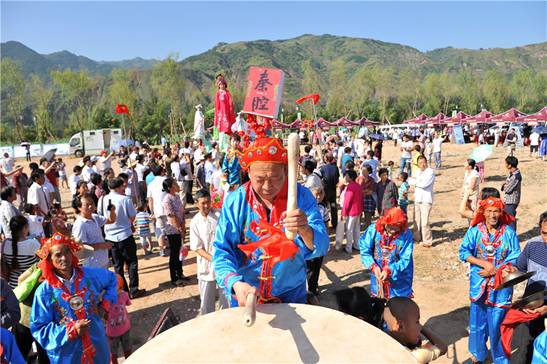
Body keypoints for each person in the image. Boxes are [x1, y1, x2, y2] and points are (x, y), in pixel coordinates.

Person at [212, 122, 329, 307]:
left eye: (275, 178)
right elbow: (222, 250)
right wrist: (234, 283)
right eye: (259, 179)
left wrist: (305, 229)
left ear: (285, 170)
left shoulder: (302, 197)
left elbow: (322, 245)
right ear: (248, 172)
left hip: (291, 296)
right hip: (247, 296)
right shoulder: (235, 202)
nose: (267, 187)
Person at [30, 233, 118, 364]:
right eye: (58, 255)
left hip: (97, 346)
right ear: (49, 260)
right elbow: (39, 329)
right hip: (67, 355)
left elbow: (112, 279)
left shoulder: (89, 275)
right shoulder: (44, 292)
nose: (64, 258)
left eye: (67, 252)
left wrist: (104, 305)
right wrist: (71, 330)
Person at [458, 197, 521, 364]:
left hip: (500, 288)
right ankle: (478, 354)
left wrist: (496, 269)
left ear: (501, 213)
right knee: (477, 323)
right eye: (489, 211)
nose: (493, 215)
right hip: (479, 286)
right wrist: (483, 263)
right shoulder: (474, 231)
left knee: (497, 325)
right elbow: (463, 252)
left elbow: (515, 256)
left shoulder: (508, 233)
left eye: (496, 211)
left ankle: (500, 359)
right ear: (483, 213)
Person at [507, 211, 547, 362]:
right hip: (530, 308)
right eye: (544, 233)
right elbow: (520, 268)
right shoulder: (532, 245)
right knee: (525, 350)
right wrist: (512, 271)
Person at [102, 177, 144, 298]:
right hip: (125, 234)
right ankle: (134, 289)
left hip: (110, 236)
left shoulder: (104, 199)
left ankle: (123, 290)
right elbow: (132, 216)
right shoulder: (125, 199)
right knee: (131, 262)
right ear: (119, 187)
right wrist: (129, 224)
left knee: (118, 266)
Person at [359, 207, 414, 299]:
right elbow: (364, 248)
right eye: (390, 227)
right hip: (377, 273)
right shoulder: (374, 230)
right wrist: (373, 266)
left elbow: (405, 259)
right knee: (378, 301)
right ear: (385, 222)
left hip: (398, 277)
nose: (392, 231)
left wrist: (389, 270)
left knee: (398, 306)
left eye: (396, 228)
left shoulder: (405, 234)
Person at [190, 189, 229, 314]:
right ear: (197, 204)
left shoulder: (219, 215)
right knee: (206, 302)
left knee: (226, 299)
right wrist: (213, 259)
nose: (206, 206)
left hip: (223, 264)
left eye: (208, 202)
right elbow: (197, 248)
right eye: (203, 203)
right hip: (206, 267)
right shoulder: (195, 222)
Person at [383, 297, 447, 364]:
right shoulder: (416, 356)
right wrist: (422, 329)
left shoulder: (384, 345)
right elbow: (442, 347)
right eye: (417, 321)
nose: (419, 327)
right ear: (400, 327)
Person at [72, 192, 115, 269]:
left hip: (102, 261)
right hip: (92, 265)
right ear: (79, 208)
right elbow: (81, 248)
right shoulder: (80, 225)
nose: (91, 206)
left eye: (92, 203)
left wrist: (112, 211)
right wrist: (102, 245)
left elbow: (111, 220)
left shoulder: (94, 217)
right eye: (87, 205)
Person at [162, 178, 187, 286]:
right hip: (173, 230)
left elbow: (182, 212)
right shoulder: (167, 199)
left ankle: (180, 273)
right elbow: (172, 216)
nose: (177, 185)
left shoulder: (176, 197)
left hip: (180, 228)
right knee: (174, 254)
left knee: (180, 252)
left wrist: (183, 225)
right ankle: (174, 277)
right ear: (170, 187)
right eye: (175, 184)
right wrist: (179, 228)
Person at [307, 187, 329, 298]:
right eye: (316, 195)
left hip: (320, 241)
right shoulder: (306, 208)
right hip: (309, 242)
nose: (318, 197)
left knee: (317, 266)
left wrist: (327, 239)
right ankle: (310, 288)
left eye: (320, 195)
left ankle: (313, 286)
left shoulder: (324, 208)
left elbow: (326, 223)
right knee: (309, 267)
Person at [409, 156, 435, 248]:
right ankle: (416, 237)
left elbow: (424, 184)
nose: (422, 164)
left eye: (423, 162)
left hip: (426, 200)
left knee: (425, 222)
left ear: (426, 162)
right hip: (417, 198)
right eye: (420, 163)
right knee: (416, 220)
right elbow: (410, 181)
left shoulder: (430, 172)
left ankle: (427, 240)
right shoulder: (418, 172)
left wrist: (415, 182)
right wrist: (415, 181)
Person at [107, 275, 132, 364]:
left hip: (125, 329)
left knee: (128, 350)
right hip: (112, 333)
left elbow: (128, 303)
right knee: (113, 354)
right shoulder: (105, 300)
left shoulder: (124, 295)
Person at [147, 165, 168, 257]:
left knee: (160, 230)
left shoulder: (151, 184)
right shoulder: (166, 180)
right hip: (168, 208)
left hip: (157, 210)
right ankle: (171, 246)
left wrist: (152, 212)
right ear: (162, 171)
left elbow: (150, 200)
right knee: (170, 228)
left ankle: (161, 249)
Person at [341, 170, 363, 254]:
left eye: (346, 176)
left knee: (349, 229)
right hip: (358, 210)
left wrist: (343, 213)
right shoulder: (358, 186)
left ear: (350, 177)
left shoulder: (350, 187)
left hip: (351, 211)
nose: (345, 177)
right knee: (357, 229)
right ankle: (357, 245)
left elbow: (347, 202)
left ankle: (348, 247)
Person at [214, 75, 236, 151]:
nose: (221, 86)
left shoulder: (227, 93)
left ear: (225, 85)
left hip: (227, 113)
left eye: (222, 84)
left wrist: (230, 111)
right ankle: (221, 147)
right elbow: (217, 105)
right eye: (220, 84)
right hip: (220, 113)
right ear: (218, 85)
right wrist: (217, 115)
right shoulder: (218, 94)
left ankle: (227, 146)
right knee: (221, 131)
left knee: (227, 129)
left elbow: (230, 104)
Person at [319, 153, 339, 228]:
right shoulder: (335, 167)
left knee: (323, 207)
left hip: (325, 191)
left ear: (326, 159)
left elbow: (320, 178)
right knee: (333, 207)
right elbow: (337, 178)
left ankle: (324, 223)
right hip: (333, 190)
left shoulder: (323, 168)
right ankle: (335, 223)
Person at [501, 156, 521, 232]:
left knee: (510, 220)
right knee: (508, 219)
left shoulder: (516, 176)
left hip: (511, 201)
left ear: (510, 165)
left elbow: (507, 189)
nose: (505, 165)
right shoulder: (512, 174)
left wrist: (504, 186)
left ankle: (512, 236)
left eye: (506, 163)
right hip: (509, 200)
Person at [356, 165, 376, 230]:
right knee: (358, 217)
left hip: (368, 200)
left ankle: (368, 231)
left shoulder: (372, 180)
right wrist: (366, 191)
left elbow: (371, 191)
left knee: (368, 218)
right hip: (359, 200)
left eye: (365, 170)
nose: (363, 172)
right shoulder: (358, 179)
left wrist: (362, 191)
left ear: (369, 171)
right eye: (362, 170)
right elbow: (357, 190)